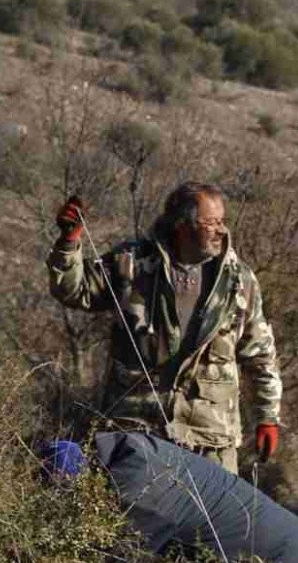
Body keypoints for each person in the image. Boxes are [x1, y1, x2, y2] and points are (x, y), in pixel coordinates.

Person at [46, 181, 281, 473]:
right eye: (211, 222)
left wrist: (267, 417)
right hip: (134, 429)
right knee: (129, 515)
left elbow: (259, 353)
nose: (221, 230)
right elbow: (75, 291)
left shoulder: (239, 280)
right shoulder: (132, 262)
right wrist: (69, 243)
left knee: (207, 519)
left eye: (222, 221)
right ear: (183, 226)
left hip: (210, 439)